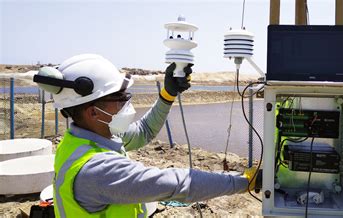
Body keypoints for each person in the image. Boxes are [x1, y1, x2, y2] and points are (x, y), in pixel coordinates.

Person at [33, 54, 258, 217]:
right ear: (93, 112)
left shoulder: (84, 138)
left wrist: (167, 94)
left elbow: (143, 132)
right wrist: (245, 181)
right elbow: (178, 184)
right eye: (120, 98)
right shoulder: (97, 171)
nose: (127, 103)